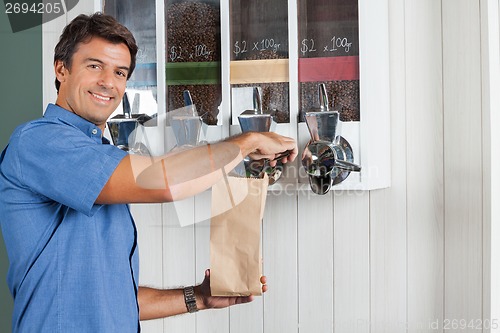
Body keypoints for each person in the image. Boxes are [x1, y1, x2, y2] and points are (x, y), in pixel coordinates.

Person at [0, 12, 297, 332]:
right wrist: (248, 140)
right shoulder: (39, 142)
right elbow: (163, 181)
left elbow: (115, 302)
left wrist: (199, 297)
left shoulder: (101, 155)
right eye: (94, 65)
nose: (107, 82)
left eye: (120, 72)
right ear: (61, 69)